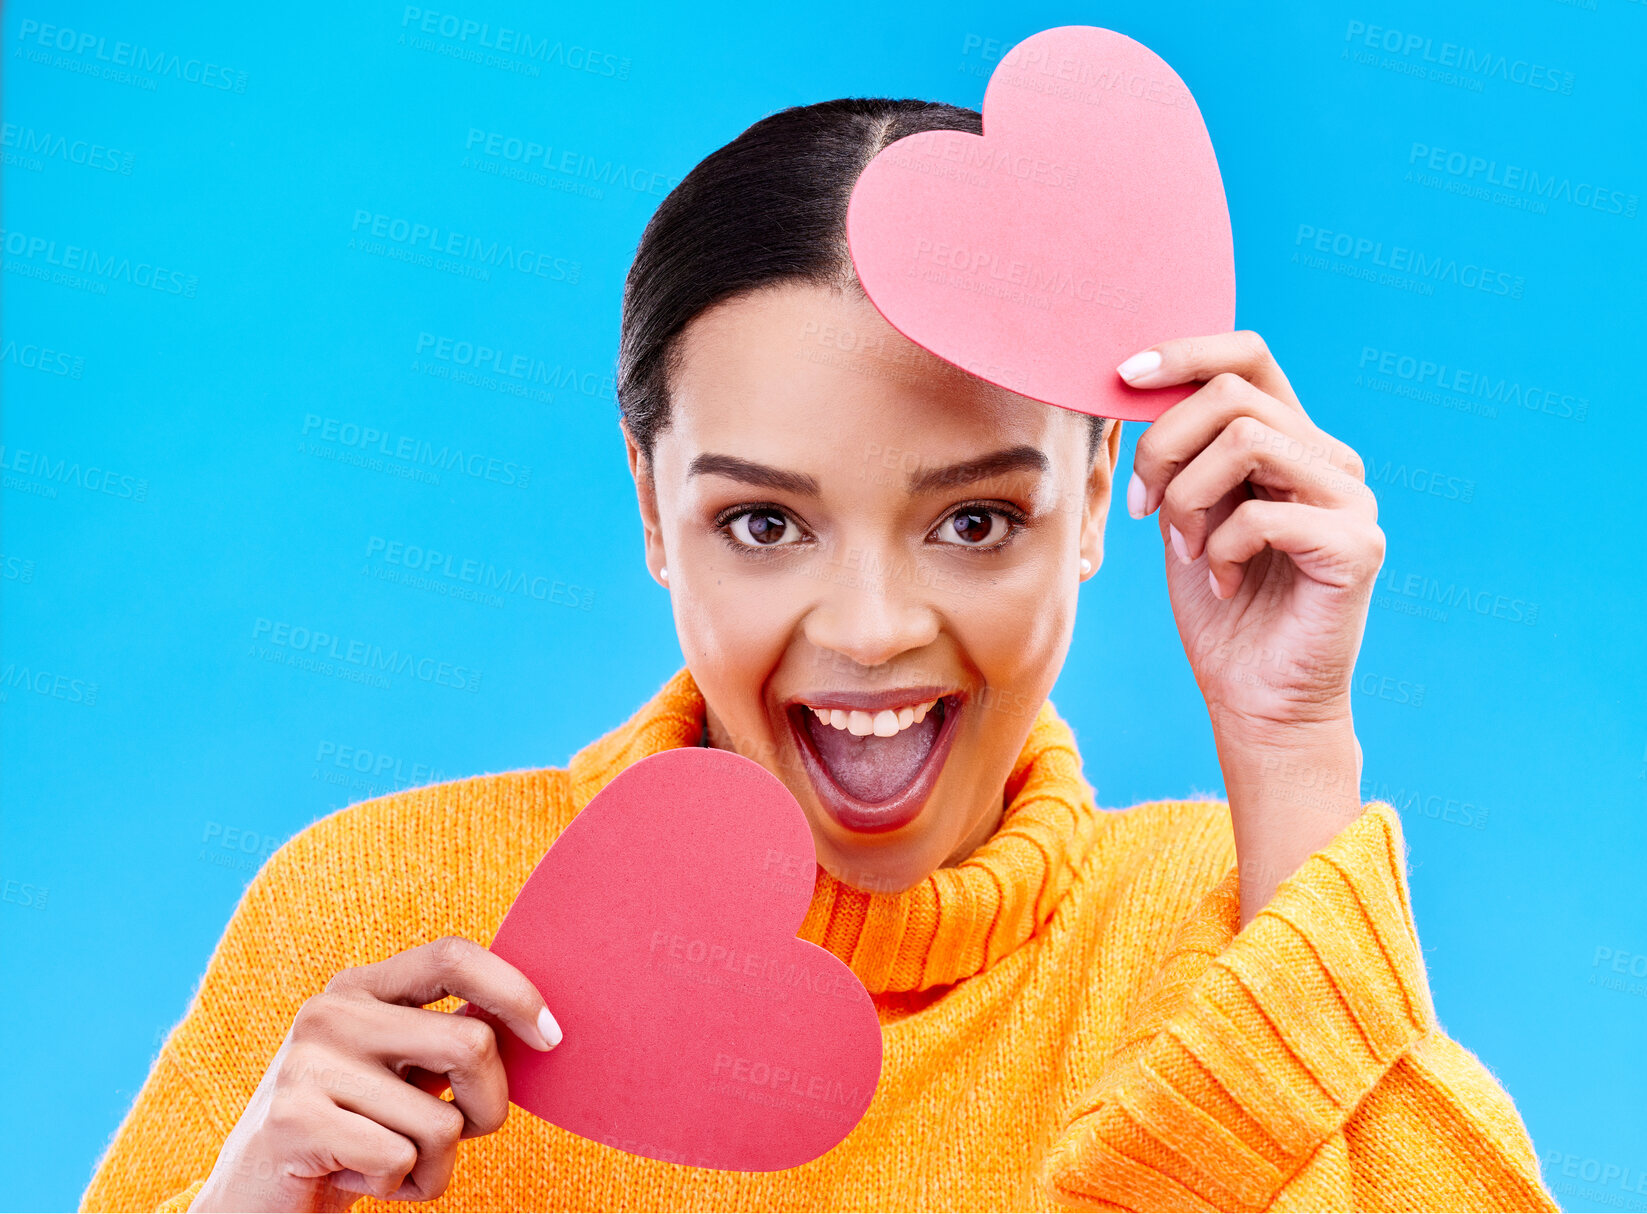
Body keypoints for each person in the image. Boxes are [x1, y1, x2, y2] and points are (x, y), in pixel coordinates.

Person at [82, 98, 1556, 1213]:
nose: (868, 628)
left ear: (1100, 497)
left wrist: (1293, 748)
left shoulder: (1229, 919)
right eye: (764, 521)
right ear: (654, 505)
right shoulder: (378, 917)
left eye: (974, 518)